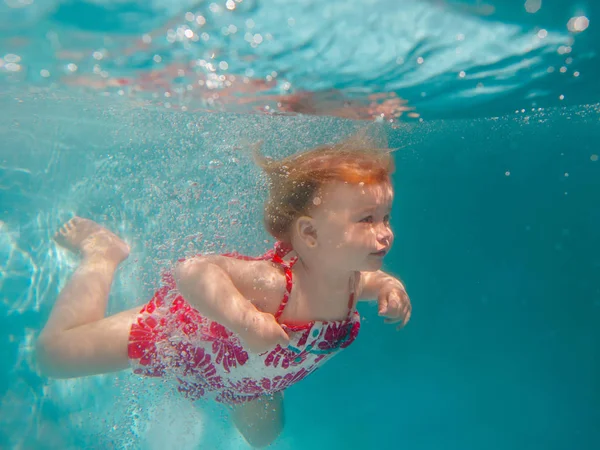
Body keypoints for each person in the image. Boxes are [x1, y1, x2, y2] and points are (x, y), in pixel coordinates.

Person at [36, 134, 412, 448]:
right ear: (310, 234)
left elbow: (371, 282)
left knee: (264, 437)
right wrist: (245, 319)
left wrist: (389, 288)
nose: (384, 232)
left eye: (385, 217)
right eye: (366, 219)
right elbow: (194, 270)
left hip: (249, 377)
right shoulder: (277, 284)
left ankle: (255, 384)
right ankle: (103, 253)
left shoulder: (348, 280)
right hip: (184, 343)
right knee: (54, 356)